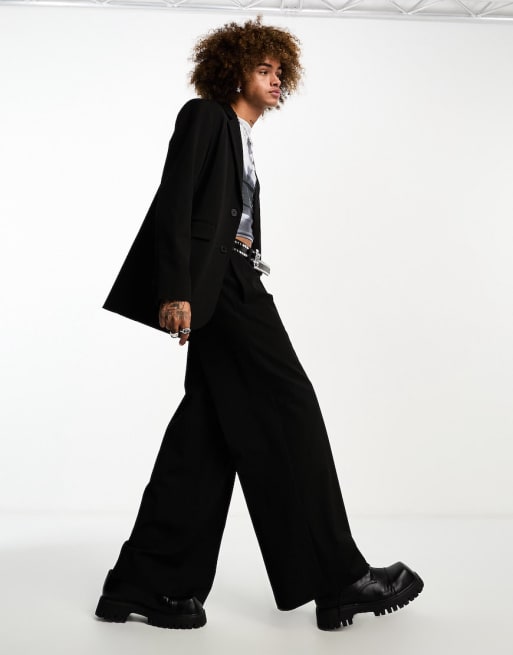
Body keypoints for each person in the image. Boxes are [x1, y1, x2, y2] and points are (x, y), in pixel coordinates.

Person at [94, 17, 424, 631]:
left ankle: (146, 583)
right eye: (263, 69)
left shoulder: (244, 138)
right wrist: (176, 291)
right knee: (289, 404)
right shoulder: (205, 117)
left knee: (205, 437)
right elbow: (174, 201)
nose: (275, 81)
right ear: (232, 70)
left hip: (236, 280)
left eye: (279, 72)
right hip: (219, 287)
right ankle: (339, 578)